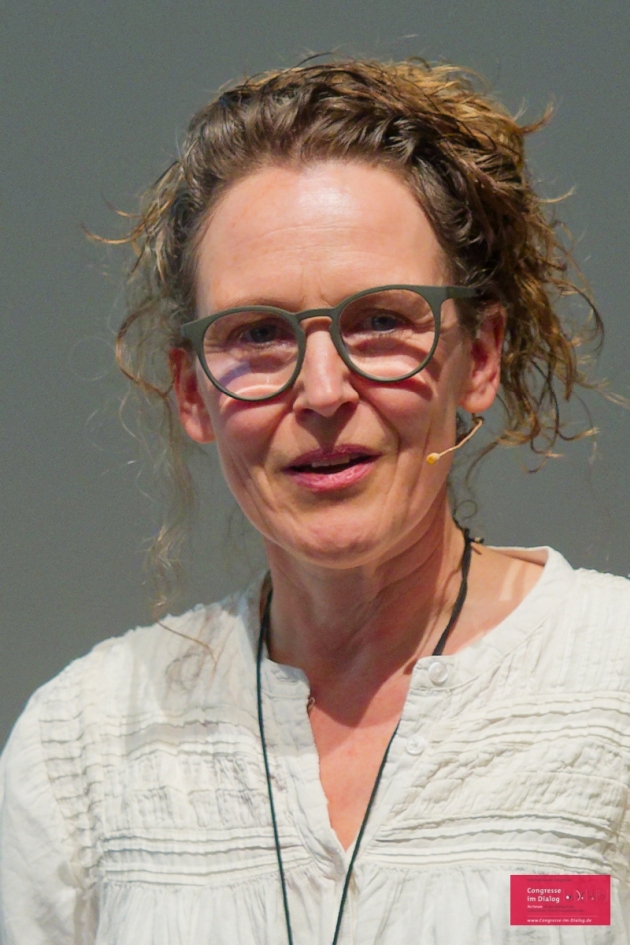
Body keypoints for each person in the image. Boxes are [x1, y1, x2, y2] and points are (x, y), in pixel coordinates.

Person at [1, 58, 629, 944]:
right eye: (258, 333)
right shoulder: (86, 747)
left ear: (480, 358)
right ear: (192, 392)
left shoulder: (612, 682)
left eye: (382, 321)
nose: (324, 390)